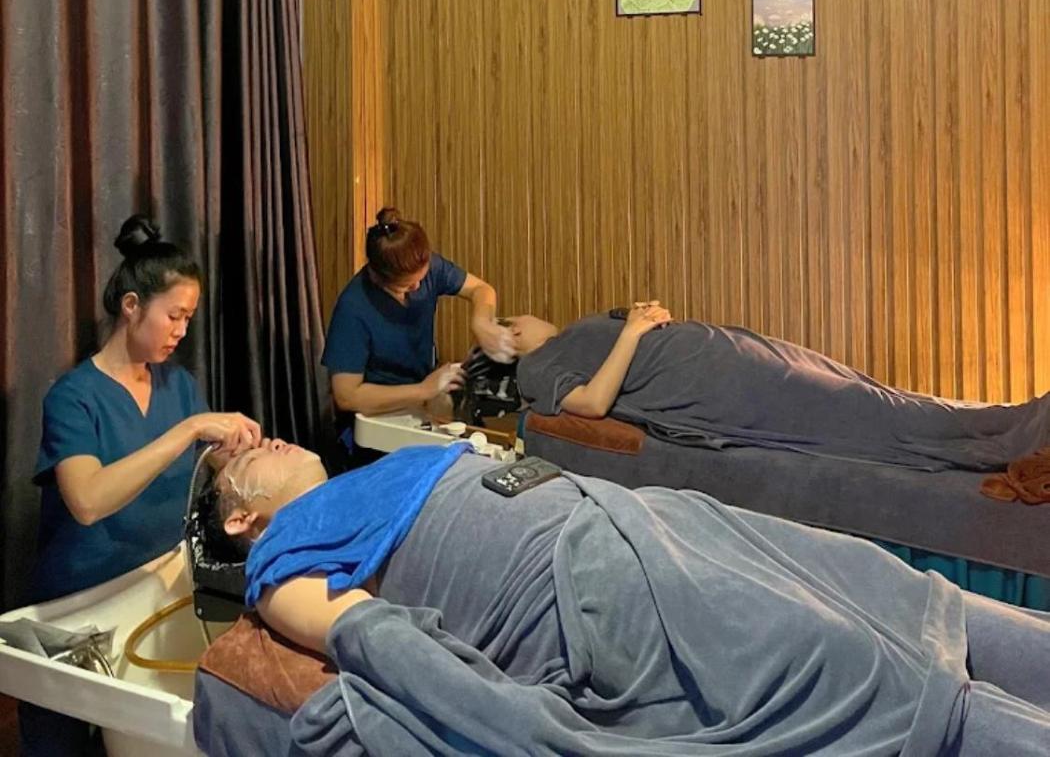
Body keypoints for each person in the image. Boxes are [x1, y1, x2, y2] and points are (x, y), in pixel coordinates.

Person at [199, 440, 1050, 755]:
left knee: (897, 596)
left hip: (650, 523)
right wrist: (523, 727)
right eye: (248, 454)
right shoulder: (281, 558)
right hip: (586, 588)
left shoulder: (364, 475)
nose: (265, 436)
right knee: (858, 667)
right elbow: (371, 635)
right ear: (241, 516)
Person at [21, 215, 261, 757]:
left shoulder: (178, 385)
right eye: (173, 315)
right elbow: (87, 501)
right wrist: (187, 431)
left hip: (152, 589)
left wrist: (238, 454)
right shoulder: (74, 397)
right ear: (131, 306)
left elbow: (207, 467)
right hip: (76, 604)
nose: (181, 331)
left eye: (189, 318)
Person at [509, 303, 1050, 471]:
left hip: (734, 354)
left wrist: (640, 319)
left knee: (864, 392)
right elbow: (593, 403)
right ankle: (1012, 438)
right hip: (718, 389)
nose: (525, 315)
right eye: (513, 321)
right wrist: (631, 332)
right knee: (862, 410)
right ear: (511, 340)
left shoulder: (573, 334)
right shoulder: (535, 366)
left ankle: (1014, 420)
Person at [321, 207, 509, 423]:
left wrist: (481, 323)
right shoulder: (353, 308)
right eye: (407, 285)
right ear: (377, 277)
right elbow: (346, 396)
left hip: (421, 396)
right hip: (375, 415)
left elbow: (481, 290)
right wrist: (423, 389)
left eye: (422, 277)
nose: (418, 286)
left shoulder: (427, 267)